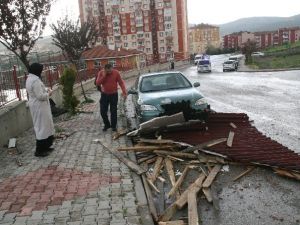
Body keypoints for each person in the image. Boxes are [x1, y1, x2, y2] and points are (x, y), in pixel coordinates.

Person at [25, 63, 55, 157]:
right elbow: (40, 96)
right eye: (41, 70)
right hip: (39, 106)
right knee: (42, 127)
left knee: (44, 126)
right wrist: (49, 93)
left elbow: (36, 92)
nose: (41, 72)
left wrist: (45, 90)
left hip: (37, 106)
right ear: (37, 70)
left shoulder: (30, 78)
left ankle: (46, 146)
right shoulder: (35, 81)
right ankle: (39, 150)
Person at [96, 64, 127, 132]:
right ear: (105, 69)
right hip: (104, 95)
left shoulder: (116, 72)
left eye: (110, 71)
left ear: (112, 68)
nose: (109, 72)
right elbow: (97, 83)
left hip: (114, 95)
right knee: (103, 111)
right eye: (108, 71)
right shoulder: (101, 73)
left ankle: (113, 126)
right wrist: (104, 76)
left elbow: (121, 83)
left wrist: (124, 92)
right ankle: (107, 124)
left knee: (113, 111)